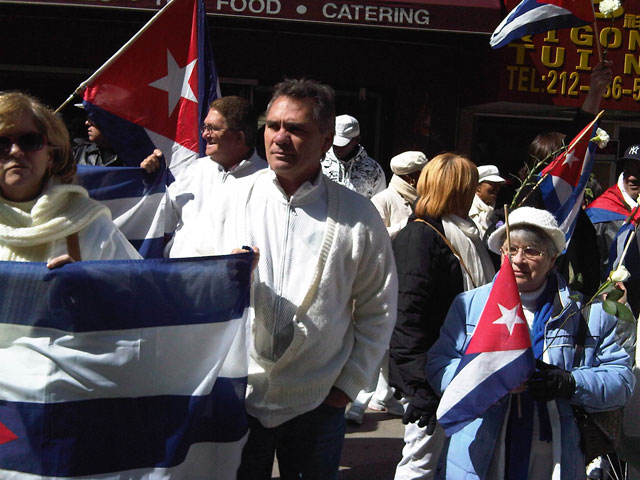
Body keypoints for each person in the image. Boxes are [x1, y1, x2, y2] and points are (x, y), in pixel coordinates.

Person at [170, 79, 398, 479]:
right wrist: (223, 274)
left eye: (296, 129)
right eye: (273, 125)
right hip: (238, 396)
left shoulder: (358, 216)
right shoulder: (231, 199)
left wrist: (347, 386)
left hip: (318, 403)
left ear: (326, 139)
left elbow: (378, 308)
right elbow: (182, 272)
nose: (280, 138)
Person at [427, 206, 635, 479]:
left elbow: (622, 380)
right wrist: (487, 379)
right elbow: (438, 365)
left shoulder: (586, 314)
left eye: (532, 251)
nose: (518, 260)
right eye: (510, 249)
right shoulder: (469, 305)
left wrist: (570, 382)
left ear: (552, 259)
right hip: (480, 448)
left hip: (553, 454)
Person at [389, 153, 495, 480]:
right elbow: (406, 315)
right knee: (420, 463)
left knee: (455, 462)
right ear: (457, 190)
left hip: (466, 368)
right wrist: (419, 386)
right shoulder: (420, 236)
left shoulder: (469, 233)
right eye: (470, 185)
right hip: (433, 375)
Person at [0, 91, 140, 264]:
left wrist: (88, 283)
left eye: (29, 141)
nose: (15, 151)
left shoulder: (91, 227)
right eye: (2, 144)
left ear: (50, 156)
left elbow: (141, 287)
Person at [344, 151, 427, 426]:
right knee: (374, 337)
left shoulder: (421, 200)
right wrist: (408, 226)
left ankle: (385, 394)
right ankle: (358, 398)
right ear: (411, 176)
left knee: (393, 341)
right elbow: (374, 236)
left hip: (407, 277)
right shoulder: (384, 200)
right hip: (382, 277)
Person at [155, 96, 266, 256]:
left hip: (228, 277)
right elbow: (165, 221)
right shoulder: (194, 170)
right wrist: (154, 182)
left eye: (213, 128)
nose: (205, 134)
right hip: (180, 275)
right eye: (204, 127)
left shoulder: (266, 178)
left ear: (239, 138)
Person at [587, 144, 640, 316]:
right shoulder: (599, 214)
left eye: (639, 171)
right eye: (628, 170)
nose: (632, 177)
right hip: (611, 308)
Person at [321, 114, 385, 198]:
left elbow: (379, 205)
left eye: (343, 144)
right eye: (335, 143)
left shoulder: (374, 170)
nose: (337, 147)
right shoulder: (319, 163)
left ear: (357, 139)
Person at [371, 150, 428, 239]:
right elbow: (375, 236)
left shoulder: (426, 200)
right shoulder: (381, 200)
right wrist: (408, 223)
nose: (428, 179)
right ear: (410, 179)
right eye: (424, 174)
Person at [469, 164, 505, 239]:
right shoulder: (467, 211)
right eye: (493, 184)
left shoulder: (499, 214)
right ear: (478, 187)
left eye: (498, 185)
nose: (497, 188)